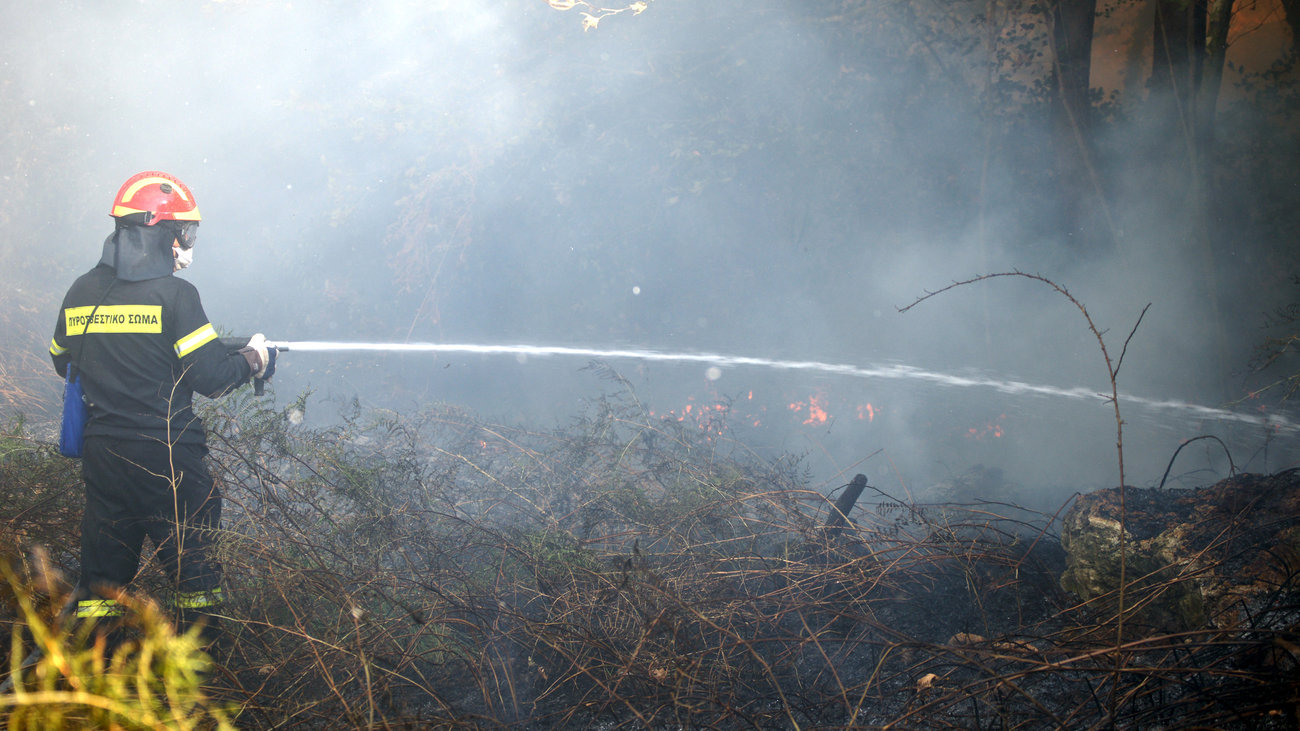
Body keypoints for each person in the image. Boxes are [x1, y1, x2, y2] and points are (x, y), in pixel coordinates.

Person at [48, 171, 273, 644]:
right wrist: (254, 359)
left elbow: (62, 360)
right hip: (168, 456)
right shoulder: (177, 295)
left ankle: (95, 675)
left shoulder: (82, 291)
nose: (186, 243)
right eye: (182, 232)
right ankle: (202, 677)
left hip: (105, 457)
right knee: (195, 576)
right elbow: (211, 378)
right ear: (156, 230)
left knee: (103, 583)